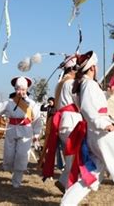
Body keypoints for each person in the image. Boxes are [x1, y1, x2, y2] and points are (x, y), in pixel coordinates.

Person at [61, 51, 114, 206]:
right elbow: (88, 108)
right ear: (92, 68)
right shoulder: (89, 84)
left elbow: (95, 104)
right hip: (102, 134)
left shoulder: (85, 85)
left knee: (93, 173)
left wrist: (108, 94)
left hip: (95, 134)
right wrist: (104, 124)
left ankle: (67, 203)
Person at [0, 76, 43, 188]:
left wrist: (36, 134)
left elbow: (38, 120)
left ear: (27, 90)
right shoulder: (8, 103)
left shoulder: (32, 104)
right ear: (15, 89)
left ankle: (16, 182)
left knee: (22, 156)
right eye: (19, 89)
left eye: (23, 90)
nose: (21, 92)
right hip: (11, 129)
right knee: (8, 157)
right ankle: (10, 168)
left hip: (26, 131)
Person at [42, 54, 82, 193]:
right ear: (73, 69)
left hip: (66, 121)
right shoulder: (71, 83)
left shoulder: (62, 83)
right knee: (73, 156)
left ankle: (65, 182)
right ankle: (68, 186)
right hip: (71, 121)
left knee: (72, 156)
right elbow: (81, 101)